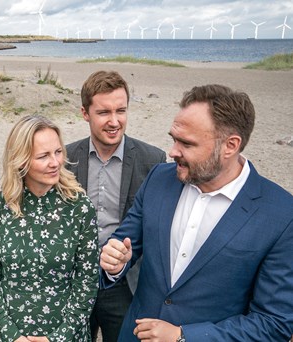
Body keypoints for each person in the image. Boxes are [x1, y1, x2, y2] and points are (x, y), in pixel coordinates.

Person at [100, 84, 293, 341]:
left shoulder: (281, 214)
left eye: (186, 143)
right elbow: (125, 241)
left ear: (230, 145)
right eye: (173, 138)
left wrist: (184, 336)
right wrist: (115, 261)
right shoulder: (158, 179)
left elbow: (274, 323)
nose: (173, 151)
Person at [0, 115, 100, 342]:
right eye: (43, 156)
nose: (55, 162)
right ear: (21, 160)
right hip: (9, 336)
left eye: (57, 152)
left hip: (66, 335)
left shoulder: (80, 208)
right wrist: (13, 336)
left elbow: (87, 283)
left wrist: (56, 338)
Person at [66, 70, 166, 342]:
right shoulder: (64, 158)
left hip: (125, 284)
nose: (114, 121)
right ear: (85, 113)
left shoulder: (153, 160)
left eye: (121, 110)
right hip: (72, 282)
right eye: (103, 113)